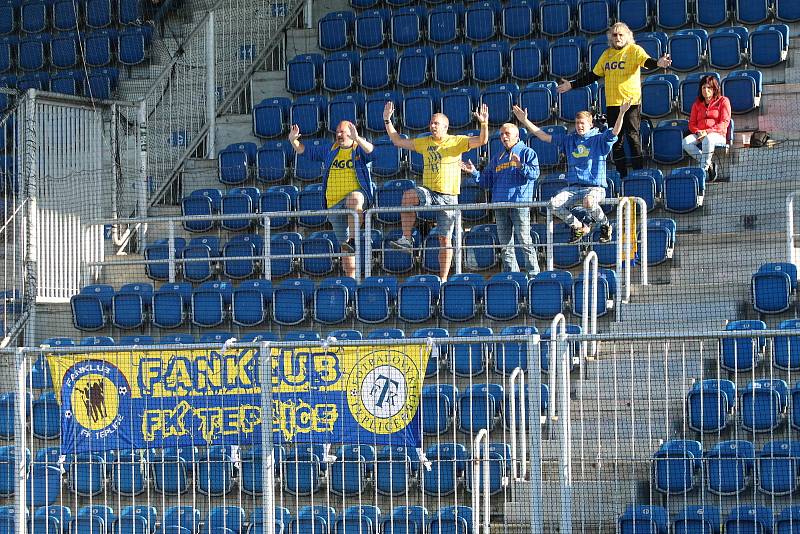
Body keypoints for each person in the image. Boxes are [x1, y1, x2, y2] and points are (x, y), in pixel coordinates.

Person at [382, 102, 489, 282]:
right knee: (408, 195)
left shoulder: (457, 141)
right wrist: (387, 120)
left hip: (448, 198)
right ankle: (406, 239)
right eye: (431, 123)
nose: (432, 126)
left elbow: (482, 140)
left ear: (445, 127)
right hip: (430, 193)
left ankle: (443, 280)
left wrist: (484, 124)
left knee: (444, 241)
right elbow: (397, 141)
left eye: (436, 123)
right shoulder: (424, 142)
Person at [556, 22, 672, 178]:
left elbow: (647, 62)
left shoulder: (634, 50)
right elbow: (594, 75)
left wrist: (658, 63)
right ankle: (622, 175)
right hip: (612, 104)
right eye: (614, 35)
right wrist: (572, 85)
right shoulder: (607, 54)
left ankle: (639, 173)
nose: (617, 37)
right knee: (615, 140)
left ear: (627, 36)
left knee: (632, 136)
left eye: (621, 34)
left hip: (630, 103)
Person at [513, 101, 632, 243]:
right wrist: (525, 120)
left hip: (595, 188)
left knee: (589, 202)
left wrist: (622, 112)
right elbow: (544, 136)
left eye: (582, 123)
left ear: (590, 124)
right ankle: (578, 226)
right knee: (553, 204)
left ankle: (605, 225)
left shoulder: (599, 139)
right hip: (573, 188)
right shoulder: (569, 140)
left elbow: (615, 132)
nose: (579, 126)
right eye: (577, 123)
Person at [288, 120, 376, 279]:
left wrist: (358, 139)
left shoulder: (358, 149)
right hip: (333, 204)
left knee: (355, 199)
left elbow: (371, 152)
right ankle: (351, 281)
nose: (339, 135)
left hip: (353, 197)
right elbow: (305, 151)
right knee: (345, 248)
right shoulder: (330, 149)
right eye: (337, 132)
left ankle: (354, 240)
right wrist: (293, 140)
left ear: (351, 132)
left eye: (342, 132)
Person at [459, 123, 541, 276]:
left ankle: (534, 275)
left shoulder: (527, 152)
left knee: (525, 241)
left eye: (507, 133)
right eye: (502, 134)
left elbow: (535, 174)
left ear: (517, 136)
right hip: (500, 206)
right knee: (505, 245)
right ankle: (512, 275)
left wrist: (521, 166)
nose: (503, 137)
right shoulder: (498, 157)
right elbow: (486, 182)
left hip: (519, 204)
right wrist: (474, 172)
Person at [682, 74, 731, 180]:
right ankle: (709, 164)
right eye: (703, 87)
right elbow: (691, 124)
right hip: (699, 133)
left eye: (709, 87)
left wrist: (707, 132)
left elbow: (724, 122)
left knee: (708, 139)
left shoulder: (723, 101)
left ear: (714, 89)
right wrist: (698, 131)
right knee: (685, 142)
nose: (706, 90)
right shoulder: (696, 104)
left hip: (718, 135)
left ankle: (702, 172)